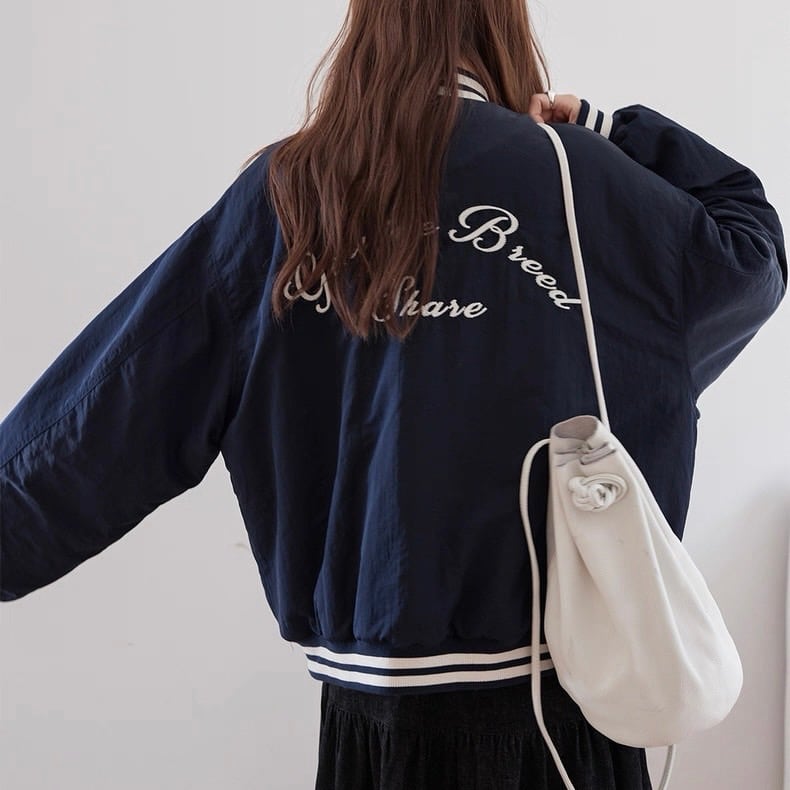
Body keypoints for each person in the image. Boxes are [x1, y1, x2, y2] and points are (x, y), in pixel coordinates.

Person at [1, 1, 786, 788]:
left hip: (375, 726)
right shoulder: (579, 178)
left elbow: (106, 409)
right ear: (502, 24)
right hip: (569, 704)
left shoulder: (289, 195)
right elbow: (749, 252)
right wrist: (607, 127)